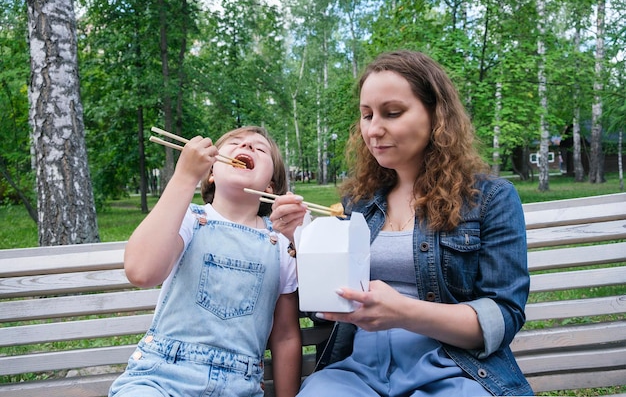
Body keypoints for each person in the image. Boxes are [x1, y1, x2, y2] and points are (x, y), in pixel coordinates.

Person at [272, 50, 533, 396]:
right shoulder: (358, 204)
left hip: (454, 368)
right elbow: (327, 313)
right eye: (366, 115)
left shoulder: (490, 198)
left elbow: (502, 318)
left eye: (392, 113)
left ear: (435, 115)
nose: (373, 130)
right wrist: (300, 241)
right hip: (359, 372)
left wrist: (403, 312)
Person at [109, 126, 302, 397]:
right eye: (235, 143)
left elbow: (285, 336)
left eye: (259, 149)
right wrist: (184, 178)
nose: (246, 147)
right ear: (211, 172)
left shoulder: (282, 243)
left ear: (270, 186)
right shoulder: (187, 220)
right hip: (161, 376)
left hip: (240, 387)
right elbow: (141, 272)